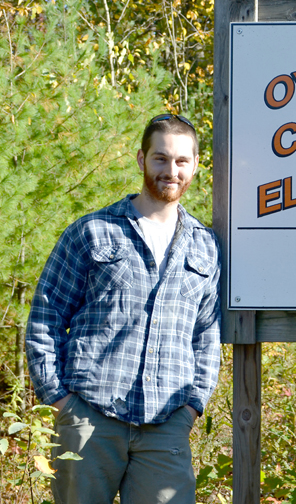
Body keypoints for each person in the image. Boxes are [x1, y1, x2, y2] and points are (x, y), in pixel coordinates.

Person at [26, 114, 221, 504]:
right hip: (89, 417)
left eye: (182, 161)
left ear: (196, 165)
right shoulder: (92, 231)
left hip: (166, 425)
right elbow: (46, 317)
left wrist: (191, 409)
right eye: (161, 158)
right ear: (141, 159)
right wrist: (61, 401)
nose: (171, 170)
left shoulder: (206, 246)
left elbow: (207, 337)